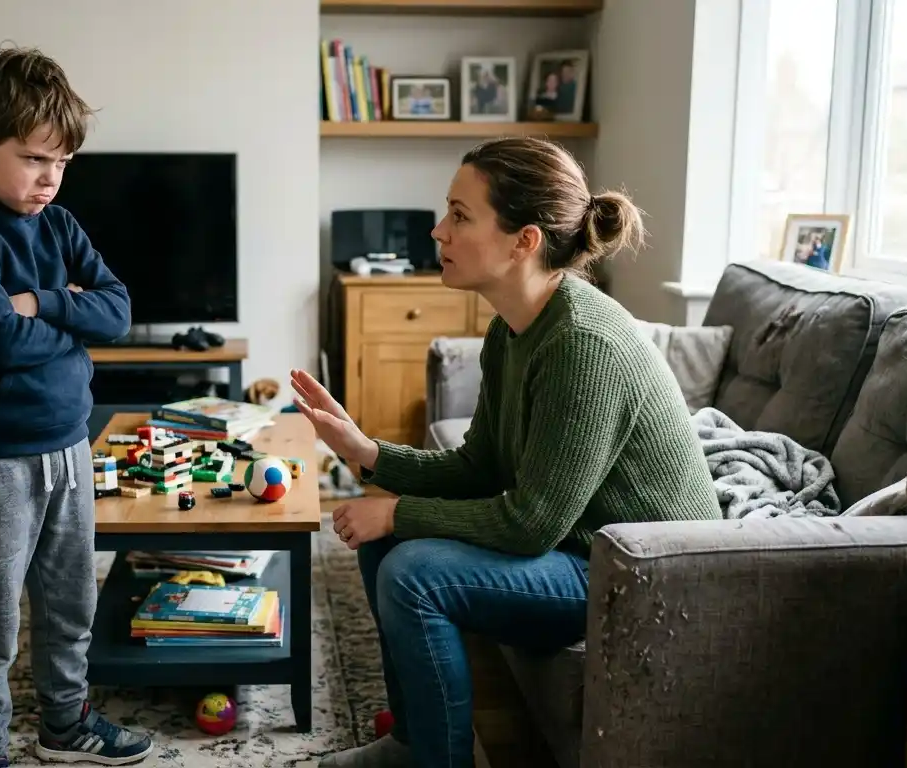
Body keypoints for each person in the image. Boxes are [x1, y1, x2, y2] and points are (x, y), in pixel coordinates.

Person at [293, 136, 722, 768]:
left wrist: (396, 512)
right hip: (578, 546)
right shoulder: (510, 329)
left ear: (524, 240)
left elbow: (530, 523)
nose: (438, 230)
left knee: (413, 571)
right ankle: (415, 744)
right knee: (385, 545)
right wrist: (368, 452)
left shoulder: (583, 344)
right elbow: (480, 468)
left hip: (636, 578)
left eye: (461, 216)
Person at [0, 45, 153, 768]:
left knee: (70, 604)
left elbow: (118, 312)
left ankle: (63, 725)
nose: (49, 180)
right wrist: (65, 318)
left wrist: (40, 304)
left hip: (70, 444)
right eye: (32, 159)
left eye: (62, 162)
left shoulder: (58, 224)